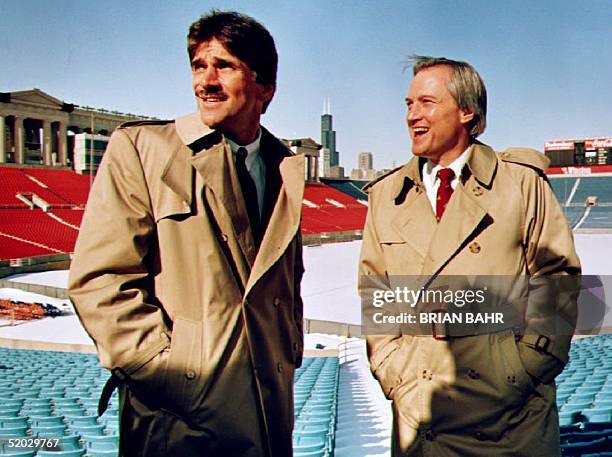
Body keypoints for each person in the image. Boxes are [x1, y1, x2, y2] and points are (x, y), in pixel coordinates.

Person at [68, 10, 305, 457]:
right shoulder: (142, 149)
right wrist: (172, 373)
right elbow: (100, 282)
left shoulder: (283, 166)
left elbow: (287, 283)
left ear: (265, 87)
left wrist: (289, 349)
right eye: (199, 66)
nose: (206, 81)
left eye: (225, 66)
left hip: (269, 410)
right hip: (177, 417)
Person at [359, 55, 580, 456]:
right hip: (420, 414)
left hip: (509, 420)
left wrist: (524, 369)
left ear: (467, 111)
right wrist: (394, 371)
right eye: (409, 104)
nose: (412, 115)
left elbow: (558, 277)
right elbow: (376, 290)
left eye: (426, 103)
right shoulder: (386, 197)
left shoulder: (519, 183)